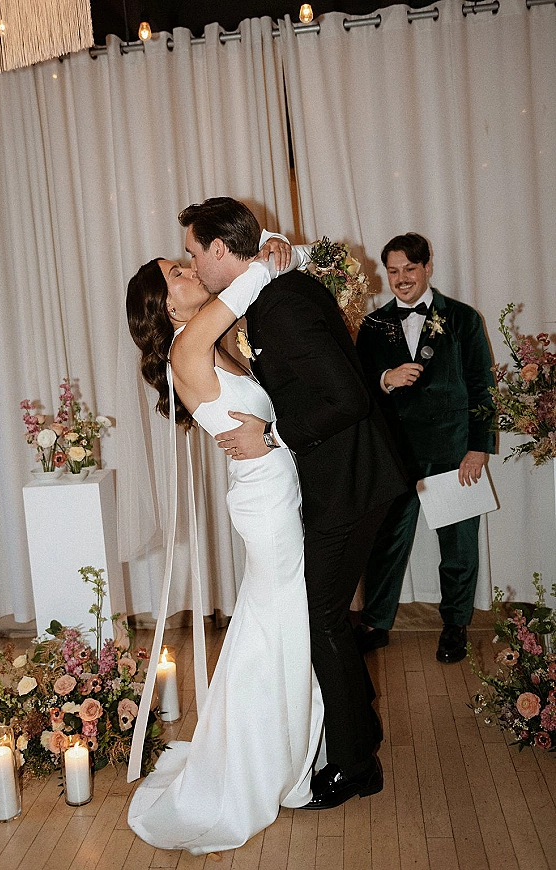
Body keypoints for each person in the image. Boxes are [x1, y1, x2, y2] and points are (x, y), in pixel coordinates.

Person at [179, 197, 408, 810]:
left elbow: (347, 397)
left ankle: (358, 767)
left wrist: (271, 436)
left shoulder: (279, 306)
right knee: (323, 615)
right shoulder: (276, 289)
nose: (192, 263)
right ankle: (361, 728)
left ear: (222, 251)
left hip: (349, 484)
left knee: (323, 618)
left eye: (194, 252)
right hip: (343, 481)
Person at [125, 251, 324, 853]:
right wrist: (268, 259)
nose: (189, 274)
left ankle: (285, 750)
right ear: (163, 305)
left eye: (184, 265)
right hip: (265, 503)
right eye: (176, 274)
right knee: (283, 623)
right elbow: (241, 292)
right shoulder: (187, 348)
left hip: (274, 485)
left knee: (280, 624)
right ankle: (270, 763)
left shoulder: (210, 342)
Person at [355, 232, 496, 664]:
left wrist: (479, 448)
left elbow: (482, 386)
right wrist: (385, 378)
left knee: (458, 546)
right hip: (396, 455)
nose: (401, 279)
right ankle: (376, 623)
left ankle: (455, 625)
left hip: (453, 453)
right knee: (384, 544)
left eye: (409, 270)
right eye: (393, 271)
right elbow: (359, 389)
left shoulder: (463, 318)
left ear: (427, 268)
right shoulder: (373, 325)